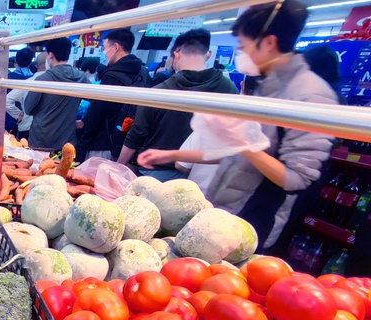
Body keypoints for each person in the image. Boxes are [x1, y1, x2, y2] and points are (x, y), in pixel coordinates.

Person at [137, 0, 337, 250]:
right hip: (224, 212)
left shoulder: (309, 95)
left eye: (243, 46)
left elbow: (297, 178)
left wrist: (244, 144)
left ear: (269, 43)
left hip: (254, 220)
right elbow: (235, 152)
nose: (241, 53)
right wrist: (173, 155)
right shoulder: (269, 87)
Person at [118, 28, 237, 180]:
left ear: (177, 54)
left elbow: (137, 133)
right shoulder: (229, 90)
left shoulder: (158, 92)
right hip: (201, 175)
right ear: (208, 54)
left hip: (154, 173)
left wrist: (118, 165)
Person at [77, 29, 147, 160]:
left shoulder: (112, 75)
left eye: (105, 48)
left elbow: (97, 113)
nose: (104, 52)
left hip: (102, 143)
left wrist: (82, 143)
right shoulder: (142, 72)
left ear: (115, 47)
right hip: (126, 143)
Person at [23, 38, 88, 150]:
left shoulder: (43, 79)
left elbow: (28, 109)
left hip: (41, 140)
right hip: (67, 142)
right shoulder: (81, 77)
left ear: (50, 55)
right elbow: (98, 100)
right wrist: (84, 120)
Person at [5, 52, 47, 141]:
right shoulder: (55, 82)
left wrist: (19, 115)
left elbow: (7, 100)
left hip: (22, 125)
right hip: (46, 129)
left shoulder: (10, 78)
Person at [5, 47, 35, 133]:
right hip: (29, 119)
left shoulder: (7, 78)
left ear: (16, 61)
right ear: (30, 62)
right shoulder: (35, 78)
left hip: (10, 118)